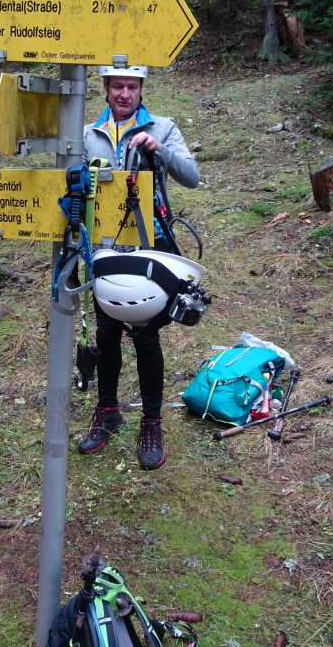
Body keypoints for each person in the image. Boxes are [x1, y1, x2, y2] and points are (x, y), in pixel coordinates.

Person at [77, 65, 200, 470]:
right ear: (106, 89)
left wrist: (158, 151)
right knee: (107, 334)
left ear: (141, 89)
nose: (124, 93)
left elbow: (192, 178)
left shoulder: (162, 127)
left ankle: (151, 421)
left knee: (146, 337)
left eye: (132, 86)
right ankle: (108, 411)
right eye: (117, 86)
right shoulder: (88, 135)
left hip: (150, 249)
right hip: (106, 250)